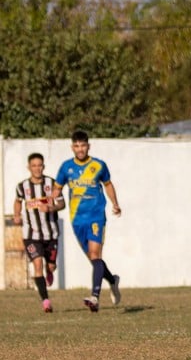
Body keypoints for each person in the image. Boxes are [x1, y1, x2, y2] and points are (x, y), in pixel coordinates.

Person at [53, 130, 122, 313]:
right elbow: (56, 190)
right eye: (76, 146)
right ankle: (113, 281)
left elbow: (108, 184)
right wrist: (52, 200)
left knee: (95, 253)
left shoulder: (98, 165)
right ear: (72, 147)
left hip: (96, 216)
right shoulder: (66, 167)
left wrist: (115, 203)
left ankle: (94, 297)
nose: (80, 149)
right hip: (77, 220)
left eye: (83, 145)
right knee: (94, 259)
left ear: (88, 146)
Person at [13, 152, 65, 313]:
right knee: (37, 264)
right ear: (29, 167)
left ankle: (49, 271)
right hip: (31, 234)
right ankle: (46, 301)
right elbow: (17, 201)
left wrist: (51, 207)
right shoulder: (22, 186)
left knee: (50, 266)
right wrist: (16, 215)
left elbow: (62, 203)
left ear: (43, 166)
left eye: (39, 165)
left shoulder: (52, 184)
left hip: (51, 234)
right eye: (33, 165)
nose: (37, 168)